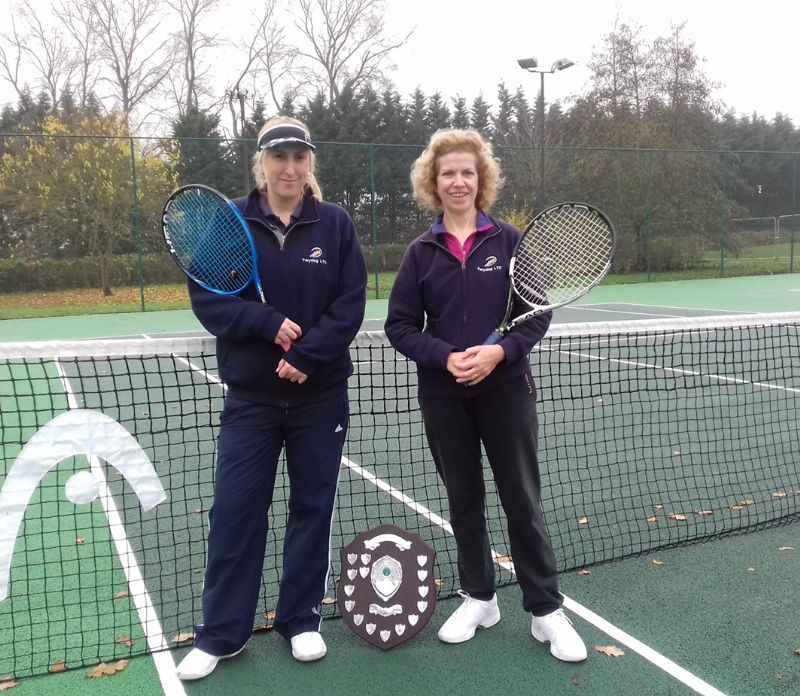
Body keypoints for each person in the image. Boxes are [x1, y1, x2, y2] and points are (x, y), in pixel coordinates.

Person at [384, 129, 587, 663]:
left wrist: (500, 353)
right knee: (464, 500)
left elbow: (535, 314)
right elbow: (401, 326)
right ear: (434, 181)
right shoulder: (420, 252)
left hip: (506, 391)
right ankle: (479, 597)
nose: (458, 181)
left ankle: (545, 609)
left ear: (482, 180)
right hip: (444, 396)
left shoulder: (510, 242)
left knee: (521, 498)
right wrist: (444, 356)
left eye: (467, 172)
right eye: (448, 172)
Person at [176, 116, 367, 680]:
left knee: (313, 510)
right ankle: (221, 634)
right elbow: (208, 301)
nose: (289, 168)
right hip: (252, 401)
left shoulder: (334, 224)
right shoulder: (229, 222)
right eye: (279, 158)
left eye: (299, 158)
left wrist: (307, 356)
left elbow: (350, 303)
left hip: (320, 397)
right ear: (261, 162)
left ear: (310, 163)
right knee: (235, 512)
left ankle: (300, 619)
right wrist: (265, 322)